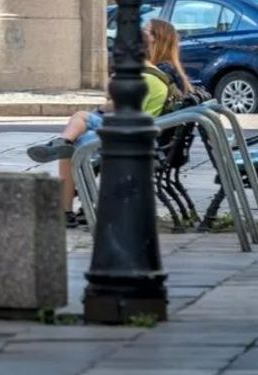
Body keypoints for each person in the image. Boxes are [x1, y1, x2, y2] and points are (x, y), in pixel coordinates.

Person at [27, 20, 188, 226]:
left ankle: (65, 206)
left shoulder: (147, 77)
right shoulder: (159, 74)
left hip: (130, 137)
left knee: (76, 137)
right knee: (78, 140)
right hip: (146, 137)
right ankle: (78, 195)